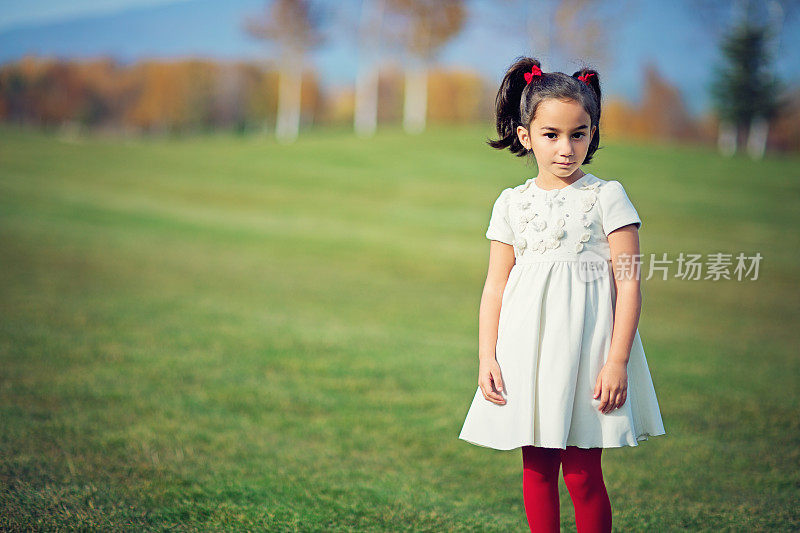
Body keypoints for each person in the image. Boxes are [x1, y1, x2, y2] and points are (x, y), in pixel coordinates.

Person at [458, 56, 667, 532]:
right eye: (551, 134)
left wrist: (616, 361)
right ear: (525, 134)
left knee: (581, 474)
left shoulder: (607, 196)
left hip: (589, 353)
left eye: (580, 133)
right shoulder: (512, 202)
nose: (566, 148)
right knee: (536, 468)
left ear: (593, 134)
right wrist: (486, 356)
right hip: (527, 351)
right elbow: (495, 285)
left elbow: (629, 281)